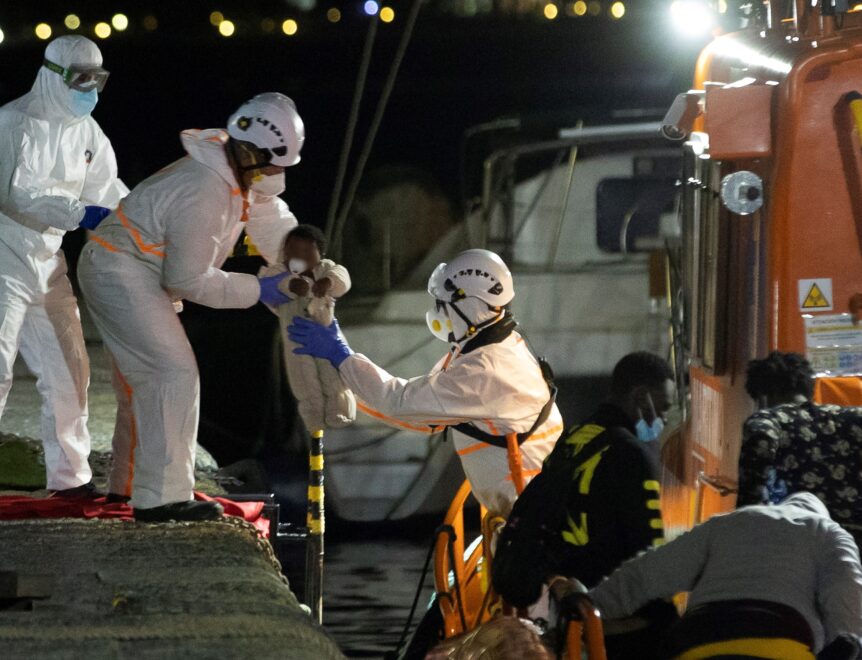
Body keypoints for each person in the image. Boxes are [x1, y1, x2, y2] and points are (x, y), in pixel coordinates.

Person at [77, 92, 302, 521]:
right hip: (121, 272)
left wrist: (303, 263)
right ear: (254, 153)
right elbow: (186, 280)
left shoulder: (232, 169)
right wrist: (260, 290)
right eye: (276, 164)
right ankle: (160, 498)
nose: (279, 174)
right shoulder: (207, 190)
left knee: (144, 380)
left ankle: (128, 487)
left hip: (119, 264)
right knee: (171, 373)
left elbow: (271, 217)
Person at [0, 35, 129, 506]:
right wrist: (83, 215)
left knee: (70, 369)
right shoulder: (9, 122)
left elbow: (110, 189)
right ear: (53, 75)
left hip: (49, 257)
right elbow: (12, 194)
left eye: (97, 79)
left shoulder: (89, 131)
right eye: (81, 79)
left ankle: (70, 477)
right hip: (0, 252)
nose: (90, 89)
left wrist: (141, 221)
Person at [287, 248, 564, 518]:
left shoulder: (484, 370)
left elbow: (399, 401)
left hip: (532, 520)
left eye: (444, 304)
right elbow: (421, 415)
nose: (440, 312)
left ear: (468, 304)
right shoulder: (494, 347)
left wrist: (341, 356)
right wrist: (346, 373)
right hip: (529, 511)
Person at [589, 492, 862, 658]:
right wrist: (847, 645)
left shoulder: (730, 522)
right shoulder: (830, 532)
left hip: (696, 641)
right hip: (782, 643)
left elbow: (649, 572)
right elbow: (845, 596)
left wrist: (591, 605)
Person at [534, 351, 677, 658]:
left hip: (566, 605)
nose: (664, 420)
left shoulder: (573, 438)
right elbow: (647, 553)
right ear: (641, 396)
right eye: (663, 409)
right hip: (614, 619)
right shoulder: (633, 455)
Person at [737, 351, 862, 542]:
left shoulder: (768, 422)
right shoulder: (853, 419)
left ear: (764, 394)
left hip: (800, 540)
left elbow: (752, 496)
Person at [263, 224, 354, 433]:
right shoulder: (279, 272)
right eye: (292, 250)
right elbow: (269, 287)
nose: (299, 255)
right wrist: (290, 286)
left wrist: (328, 282)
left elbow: (343, 279)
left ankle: (339, 409)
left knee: (332, 373)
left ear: (319, 252)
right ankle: (314, 422)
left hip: (325, 333)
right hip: (296, 337)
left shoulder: (326, 268)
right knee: (303, 379)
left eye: (306, 250)